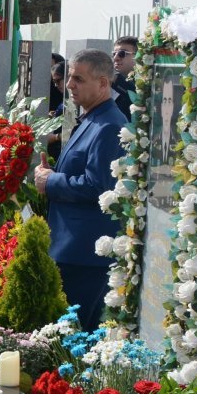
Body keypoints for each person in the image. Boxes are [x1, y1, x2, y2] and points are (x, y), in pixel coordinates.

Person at [34, 48, 128, 331]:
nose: (69, 85)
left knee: (74, 338)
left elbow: (99, 186)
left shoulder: (109, 125)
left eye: (78, 79)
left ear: (103, 84)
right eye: (70, 77)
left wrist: (50, 181)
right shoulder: (92, 118)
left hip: (84, 255)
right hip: (70, 247)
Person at [111, 36, 137, 116]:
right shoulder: (110, 82)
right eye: (114, 54)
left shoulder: (148, 82)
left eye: (122, 54)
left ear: (137, 56)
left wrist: (117, 80)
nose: (116, 58)